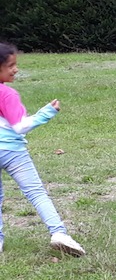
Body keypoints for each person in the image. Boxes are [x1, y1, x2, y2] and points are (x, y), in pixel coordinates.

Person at [0, 42, 86, 257]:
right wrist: (46, 113)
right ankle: (58, 233)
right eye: (11, 65)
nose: (16, 69)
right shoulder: (7, 94)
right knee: (36, 193)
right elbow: (20, 126)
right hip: (11, 151)